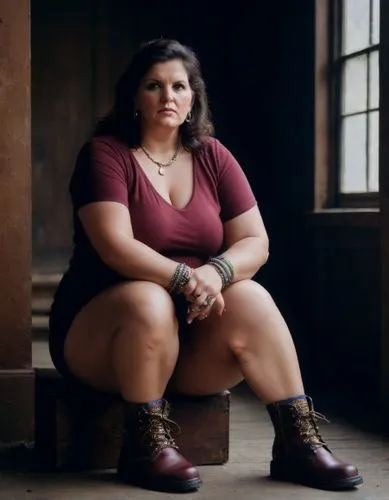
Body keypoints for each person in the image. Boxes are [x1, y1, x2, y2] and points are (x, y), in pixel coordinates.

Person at [49, 38, 363, 494]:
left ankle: (298, 443)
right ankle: (143, 448)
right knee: (148, 298)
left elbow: (256, 242)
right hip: (103, 340)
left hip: (187, 344)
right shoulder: (105, 155)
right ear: (134, 96)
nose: (168, 97)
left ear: (193, 96)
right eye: (154, 86)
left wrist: (215, 274)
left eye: (179, 86)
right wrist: (183, 278)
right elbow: (116, 246)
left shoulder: (214, 156)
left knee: (251, 295)